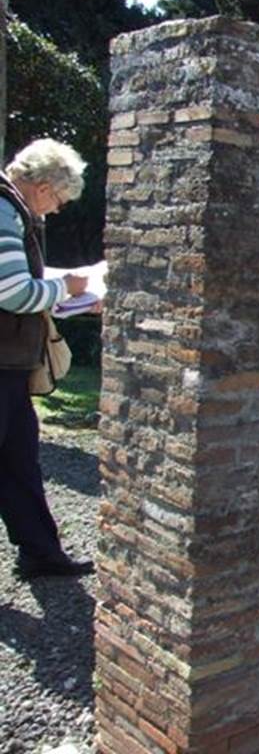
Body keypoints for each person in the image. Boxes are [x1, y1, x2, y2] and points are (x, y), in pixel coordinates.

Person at [0, 138, 93, 579]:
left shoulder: (13, 211)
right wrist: (69, 290)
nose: (56, 209)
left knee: (19, 459)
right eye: (58, 198)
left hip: (9, 365)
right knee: (15, 458)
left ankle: (40, 552)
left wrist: (73, 297)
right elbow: (15, 293)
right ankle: (40, 551)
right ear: (41, 184)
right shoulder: (3, 211)